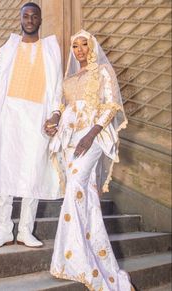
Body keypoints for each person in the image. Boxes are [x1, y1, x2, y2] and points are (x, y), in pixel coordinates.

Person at [46, 30, 135, 290]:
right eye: (75, 45)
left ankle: (78, 261)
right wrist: (53, 121)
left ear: (92, 46)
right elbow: (62, 107)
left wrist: (91, 135)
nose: (80, 49)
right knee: (85, 194)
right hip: (69, 137)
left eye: (84, 44)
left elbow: (111, 105)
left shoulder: (103, 72)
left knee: (75, 187)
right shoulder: (70, 78)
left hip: (93, 136)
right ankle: (86, 254)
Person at [0, 2, 62, 248]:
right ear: (20, 20)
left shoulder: (51, 49)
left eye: (34, 16)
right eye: (25, 16)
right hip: (9, 115)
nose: (29, 19)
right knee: (2, 168)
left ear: (40, 20)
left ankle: (25, 231)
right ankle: (4, 229)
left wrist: (55, 114)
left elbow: (57, 87)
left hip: (37, 116)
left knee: (32, 172)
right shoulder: (8, 48)